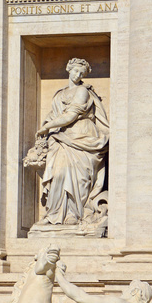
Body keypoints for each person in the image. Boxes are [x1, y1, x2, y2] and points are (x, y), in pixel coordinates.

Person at [35, 58, 110, 225]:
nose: (78, 75)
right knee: (59, 174)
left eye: (82, 73)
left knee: (79, 177)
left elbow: (70, 116)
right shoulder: (59, 94)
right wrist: (48, 127)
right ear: (69, 69)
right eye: (76, 70)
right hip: (61, 137)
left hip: (82, 135)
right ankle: (54, 214)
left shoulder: (82, 91)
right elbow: (55, 115)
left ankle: (74, 214)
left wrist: (47, 127)